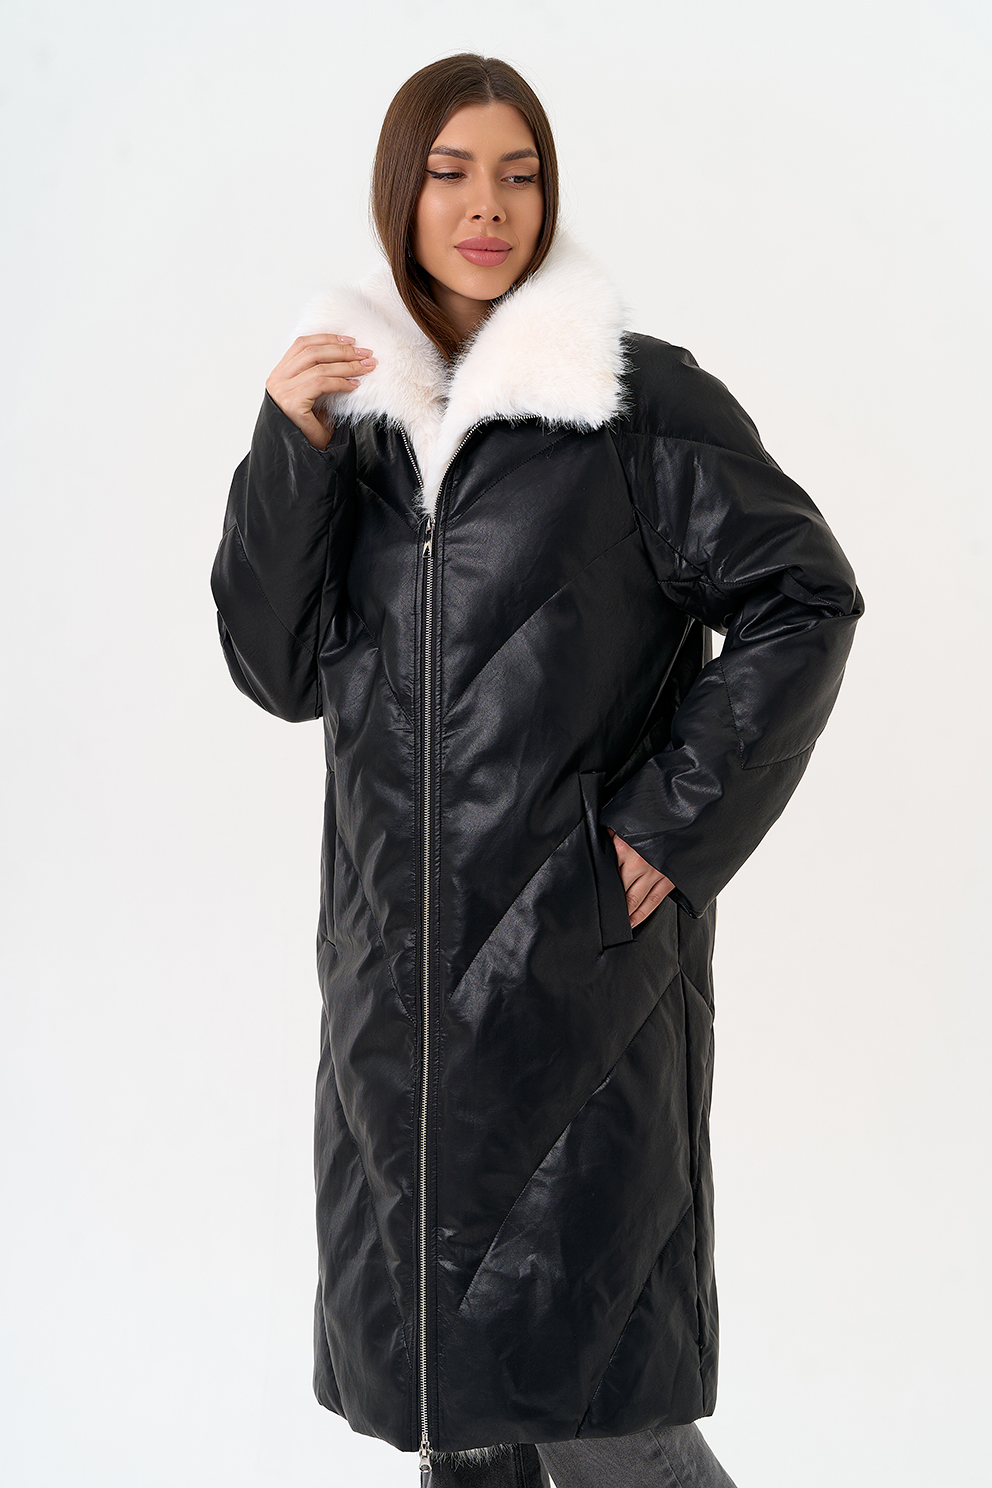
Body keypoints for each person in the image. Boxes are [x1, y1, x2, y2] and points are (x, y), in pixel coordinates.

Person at [210, 53, 864, 1488]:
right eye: (452, 174)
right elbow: (272, 668)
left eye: (520, 174)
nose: (488, 206)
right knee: (461, 1426)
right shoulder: (352, 424)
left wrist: (666, 831)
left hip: (575, 991)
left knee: (609, 1423)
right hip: (394, 1018)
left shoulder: (632, 401)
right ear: (401, 194)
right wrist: (289, 447)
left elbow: (803, 598)